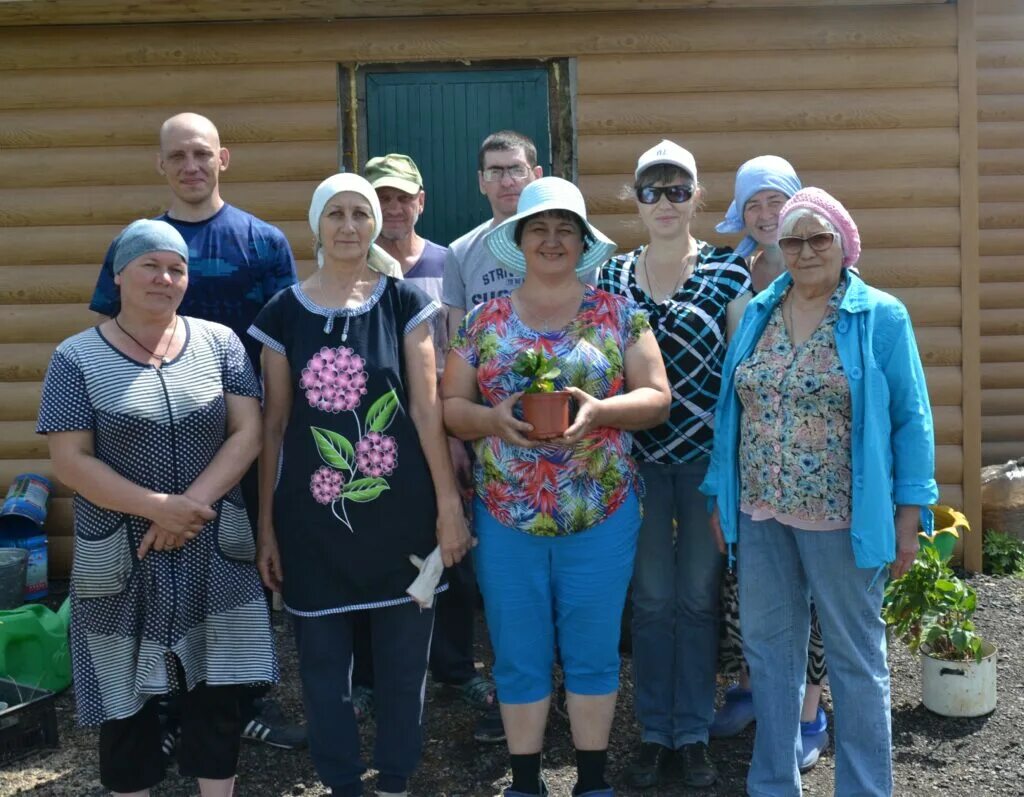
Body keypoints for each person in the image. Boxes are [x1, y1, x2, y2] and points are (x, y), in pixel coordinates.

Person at [702, 188, 937, 797]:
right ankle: (773, 782)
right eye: (792, 240)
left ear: (844, 244)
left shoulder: (880, 315)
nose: (805, 252)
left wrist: (910, 513)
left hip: (842, 518)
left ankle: (863, 789)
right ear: (777, 248)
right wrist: (718, 497)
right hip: (760, 512)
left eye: (818, 238)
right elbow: (733, 412)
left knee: (856, 660)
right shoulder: (758, 311)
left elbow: (912, 421)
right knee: (769, 656)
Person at [443, 176, 671, 797]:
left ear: (582, 241)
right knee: (517, 650)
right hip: (505, 514)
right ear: (519, 240)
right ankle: (524, 781)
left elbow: (657, 398)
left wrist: (600, 412)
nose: (551, 240)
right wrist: (493, 420)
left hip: (600, 510)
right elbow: (450, 407)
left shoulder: (618, 312)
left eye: (564, 229)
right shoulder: (484, 320)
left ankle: (592, 781)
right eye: (538, 229)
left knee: (593, 649)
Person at [249, 173, 472, 797]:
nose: (349, 226)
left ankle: (396, 777)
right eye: (336, 214)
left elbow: (427, 412)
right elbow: (274, 428)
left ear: (376, 223)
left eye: (361, 213)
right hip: (312, 522)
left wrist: (448, 507)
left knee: (404, 667)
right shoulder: (282, 314)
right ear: (316, 224)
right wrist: (266, 527)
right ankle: (342, 782)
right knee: (323, 669)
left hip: (401, 514)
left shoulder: (403, 304)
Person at [38, 219, 278, 797]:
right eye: (150, 265)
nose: (164, 278)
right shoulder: (75, 359)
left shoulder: (219, 343)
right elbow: (70, 459)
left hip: (213, 546)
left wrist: (189, 506)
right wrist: (157, 509)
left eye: (176, 269)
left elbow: (248, 432)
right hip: (120, 554)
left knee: (219, 692)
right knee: (127, 704)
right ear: (119, 274)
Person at [87, 112, 304, 750]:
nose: (190, 166)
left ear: (223, 159)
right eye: (178, 155)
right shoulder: (136, 242)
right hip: (144, 438)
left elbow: (279, 345)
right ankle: (162, 710)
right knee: (152, 570)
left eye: (202, 154)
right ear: (160, 165)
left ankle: (239, 703)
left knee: (239, 569)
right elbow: (108, 330)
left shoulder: (262, 241)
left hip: (239, 436)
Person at [597, 140, 751, 789]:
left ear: (698, 198)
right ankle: (653, 731)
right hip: (634, 464)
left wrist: (736, 469)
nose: (665, 201)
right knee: (652, 599)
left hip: (704, 465)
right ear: (635, 199)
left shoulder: (728, 274)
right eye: (652, 189)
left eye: (678, 188)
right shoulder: (608, 276)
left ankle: (692, 731)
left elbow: (745, 375)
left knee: (695, 597)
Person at [348, 152, 503, 743]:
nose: (392, 208)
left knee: (453, 549)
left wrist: (456, 434)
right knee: (369, 548)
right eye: (379, 198)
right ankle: (367, 675)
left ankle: (456, 667)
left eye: (401, 197)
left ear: (421, 201)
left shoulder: (449, 262)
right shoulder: (352, 266)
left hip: (440, 423)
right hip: (374, 434)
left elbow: (459, 347)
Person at [709, 156, 830, 771]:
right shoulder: (729, 276)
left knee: (810, 590)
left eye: (773, 202)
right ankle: (756, 690)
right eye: (751, 203)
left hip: (816, 469)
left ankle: (810, 708)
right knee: (747, 587)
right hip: (749, 462)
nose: (762, 215)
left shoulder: (827, 271)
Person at [442, 130, 543, 341]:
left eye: (517, 170)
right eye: (495, 172)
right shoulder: (460, 253)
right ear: (481, 181)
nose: (507, 182)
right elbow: (458, 343)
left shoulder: (566, 247)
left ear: (537, 176)